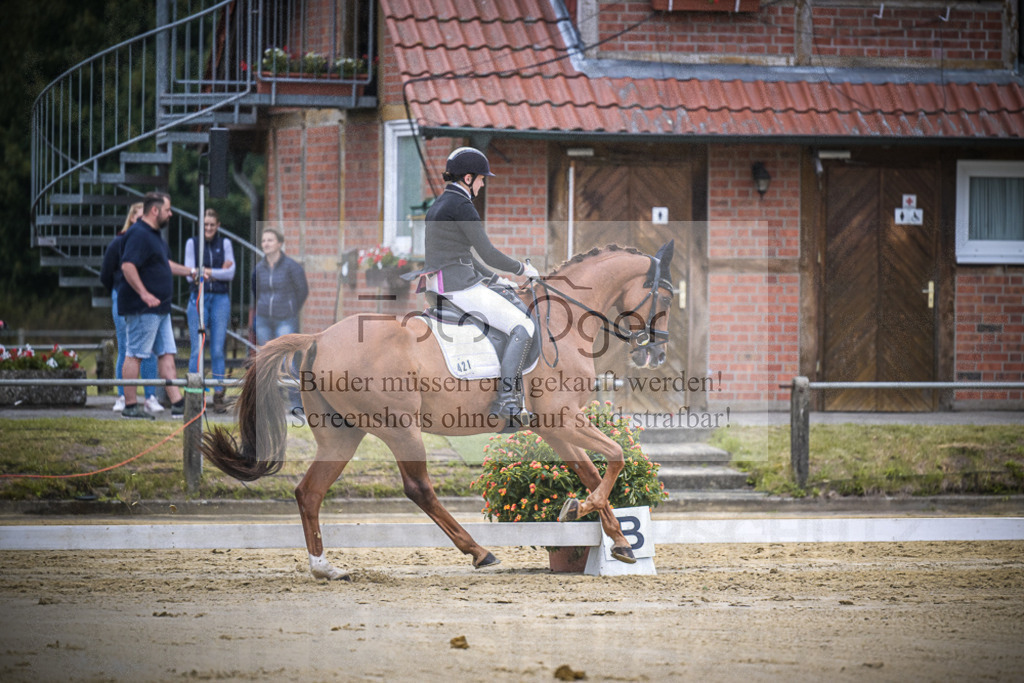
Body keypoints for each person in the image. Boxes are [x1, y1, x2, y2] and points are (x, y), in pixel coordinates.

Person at [423, 146, 539, 428]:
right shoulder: (463, 206)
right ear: (468, 178)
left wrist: (495, 279)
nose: (483, 183)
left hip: (438, 284)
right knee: (523, 327)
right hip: (459, 287)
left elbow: (462, 255)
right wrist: (522, 269)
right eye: (481, 178)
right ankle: (507, 400)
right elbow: (488, 252)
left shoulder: (438, 204)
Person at [117, 192, 195, 419]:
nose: (170, 214)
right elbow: (128, 266)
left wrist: (192, 271)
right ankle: (130, 406)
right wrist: (144, 294)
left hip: (161, 309)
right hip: (143, 309)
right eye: (168, 210)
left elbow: (165, 264)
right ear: (155, 210)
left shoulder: (155, 236)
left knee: (167, 354)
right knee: (135, 355)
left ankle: (178, 403)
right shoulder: (138, 234)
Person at [100, 202, 163, 414]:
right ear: (132, 219)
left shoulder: (152, 243)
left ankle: (150, 395)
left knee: (149, 349)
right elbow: (106, 272)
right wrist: (119, 288)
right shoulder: (119, 242)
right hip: (125, 297)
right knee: (127, 348)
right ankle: (123, 395)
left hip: (146, 300)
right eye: (138, 220)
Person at [251, 228, 308, 412]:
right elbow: (255, 290)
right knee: (267, 361)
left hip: (285, 319)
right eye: (264, 240)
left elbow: (302, 291)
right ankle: (270, 404)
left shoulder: (292, 266)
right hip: (264, 320)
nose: (265, 243)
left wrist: (290, 308)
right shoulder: (259, 268)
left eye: (270, 240)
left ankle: (296, 403)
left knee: (288, 361)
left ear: (279, 244)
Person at [184, 209, 235, 413]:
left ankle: (219, 394)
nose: (208, 228)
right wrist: (215, 273)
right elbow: (190, 275)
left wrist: (206, 272)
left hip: (220, 299)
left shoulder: (225, 244)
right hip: (199, 297)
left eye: (212, 225)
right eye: (205, 224)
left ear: (218, 226)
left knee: (217, 349)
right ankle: (195, 393)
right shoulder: (192, 243)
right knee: (197, 348)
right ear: (200, 225)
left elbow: (230, 273)